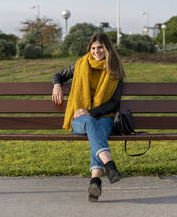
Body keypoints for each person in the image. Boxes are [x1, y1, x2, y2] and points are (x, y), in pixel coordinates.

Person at [51, 32, 126, 202]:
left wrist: (90, 112)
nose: (96, 51)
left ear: (107, 49)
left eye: (100, 47)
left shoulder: (115, 70)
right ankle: (109, 165)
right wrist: (57, 85)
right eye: (93, 48)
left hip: (104, 116)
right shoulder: (80, 64)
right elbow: (59, 75)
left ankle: (96, 181)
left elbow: (114, 104)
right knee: (93, 126)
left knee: (96, 129)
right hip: (78, 119)